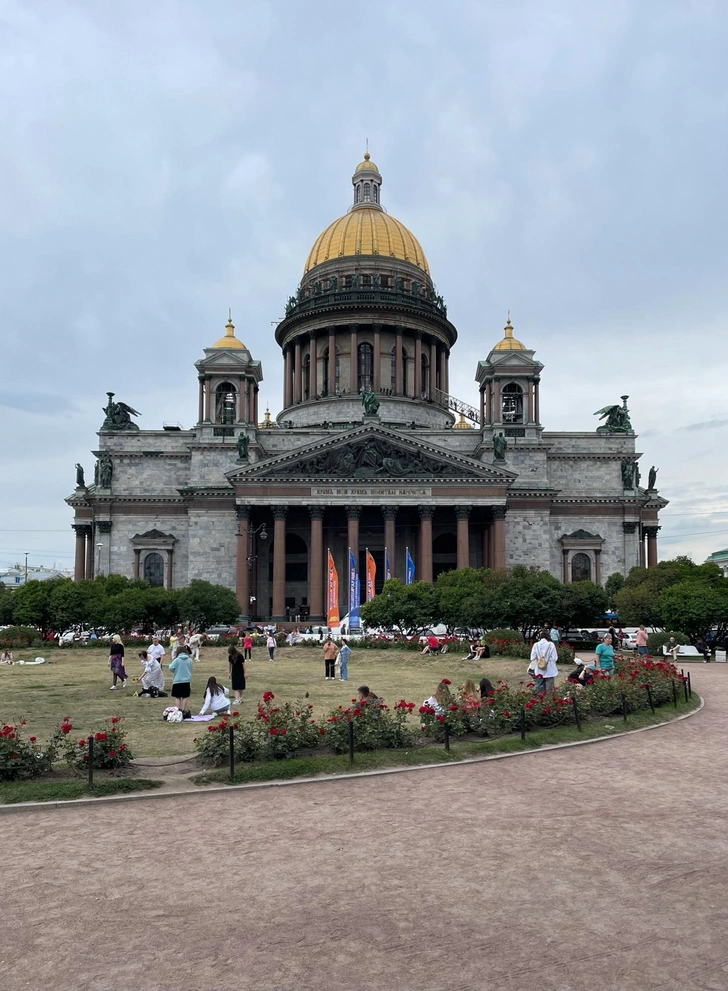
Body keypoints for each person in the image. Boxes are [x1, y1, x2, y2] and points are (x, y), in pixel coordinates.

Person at [529, 628, 559, 694]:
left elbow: (532, 658)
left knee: (538, 688)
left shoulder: (536, 645)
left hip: (539, 669)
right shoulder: (551, 645)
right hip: (550, 670)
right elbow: (555, 658)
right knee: (549, 689)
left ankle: (538, 701)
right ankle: (548, 701)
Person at [169, 645, 193, 712]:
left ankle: (177, 710)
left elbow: (170, 667)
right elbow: (190, 668)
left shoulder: (177, 660)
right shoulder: (189, 660)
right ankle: (183, 710)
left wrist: (174, 670)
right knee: (185, 696)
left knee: (177, 697)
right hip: (186, 681)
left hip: (177, 680)